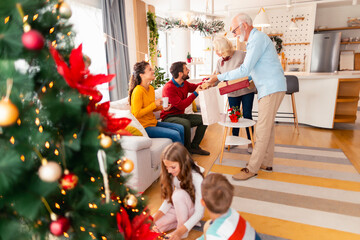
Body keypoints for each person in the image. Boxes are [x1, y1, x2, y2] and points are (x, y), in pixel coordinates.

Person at [207, 13, 287, 181]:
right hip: (271, 87)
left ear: (244, 25)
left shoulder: (257, 40)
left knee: (262, 129)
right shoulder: (255, 41)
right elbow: (251, 72)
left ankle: (252, 168)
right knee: (268, 128)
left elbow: (244, 69)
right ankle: (267, 162)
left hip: (271, 88)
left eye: (234, 30)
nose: (234, 34)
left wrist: (218, 77)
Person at [213, 36, 256, 153]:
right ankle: (234, 139)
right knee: (234, 116)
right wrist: (208, 83)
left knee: (247, 115)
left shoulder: (242, 55)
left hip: (246, 90)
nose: (216, 52)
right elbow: (216, 78)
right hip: (231, 93)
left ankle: (251, 143)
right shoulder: (219, 62)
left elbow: (251, 70)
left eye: (218, 50)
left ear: (224, 48)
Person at [153, 142, 204, 240]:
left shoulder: (197, 178)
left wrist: (178, 232)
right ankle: (181, 224)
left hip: (192, 211)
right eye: (166, 167)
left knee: (177, 195)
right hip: (177, 208)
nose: (169, 171)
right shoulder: (171, 174)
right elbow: (168, 202)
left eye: (173, 167)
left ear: (183, 162)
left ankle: (182, 230)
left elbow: (199, 213)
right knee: (151, 227)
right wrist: (152, 220)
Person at [160, 61, 210, 156]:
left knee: (204, 119)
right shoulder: (169, 88)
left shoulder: (184, 83)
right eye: (186, 69)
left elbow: (195, 86)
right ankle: (187, 151)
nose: (188, 70)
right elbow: (181, 105)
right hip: (168, 117)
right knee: (185, 123)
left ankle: (194, 147)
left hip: (180, 115)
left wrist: (206, 81)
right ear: (180, 74)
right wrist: (195, 93)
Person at [129, 61, 184, 144]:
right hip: (145, 127)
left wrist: (162, 107)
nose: (153, 71)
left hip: (153, 123)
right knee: (175, 134)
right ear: (142, 75)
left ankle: (184, 153)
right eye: (150, 69)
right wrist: (154, 104)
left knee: (180, 128)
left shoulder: (150, 88)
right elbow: (136, 114)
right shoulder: (138, 91)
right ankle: (181, 156)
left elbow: (151, 108)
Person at [197, 173, 260, 240]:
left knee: (207, 226)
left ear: (203, 202)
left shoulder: (214, 233)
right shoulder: (232, 213)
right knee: (208, 225)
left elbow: (213, 234)